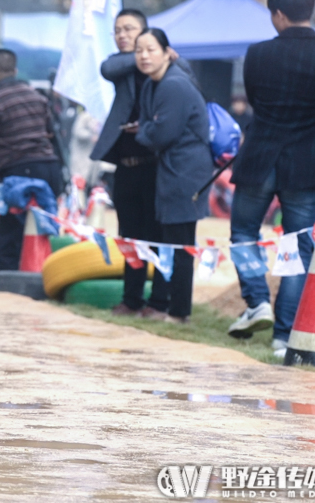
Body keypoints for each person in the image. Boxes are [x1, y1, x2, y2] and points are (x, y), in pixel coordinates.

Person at [227, 0, 315, 355]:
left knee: (244, 231)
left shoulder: (258, 54)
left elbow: (256, 101)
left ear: (277, 14)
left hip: (260, 157)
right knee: (298, 246)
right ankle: (283, 334)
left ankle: (257, 299)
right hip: (307, 165)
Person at [91, 9, 192, 318]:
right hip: (125, 166)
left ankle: (159, 302)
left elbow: (184, 69)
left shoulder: (169, 66)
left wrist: (157, 56)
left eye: (129, 29)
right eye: (118, 30)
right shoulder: (121, 64)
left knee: (159, 235)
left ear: (147, 33)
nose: (122, 35)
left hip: (156, 165)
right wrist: (144, 56)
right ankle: (131, 299)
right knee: (130, 234)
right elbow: (107, 67)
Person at [134, 28, 212, 324]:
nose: (143, 55)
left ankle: (179, 312)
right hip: (171, 168)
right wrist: (148, 128)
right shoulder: (152, 84)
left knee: (180, 243)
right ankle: (166, 305)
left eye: (151, 49)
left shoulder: (173, 85)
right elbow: (148, 124)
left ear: (168, 53)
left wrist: (145, 131)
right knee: (169, 240)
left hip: (186, 172)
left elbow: (160, 133)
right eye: (139, 50)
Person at [0, 48, 62, 271]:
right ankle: (43, 274)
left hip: (19, 171)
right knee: (41, 228)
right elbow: (51, 133)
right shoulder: (37, 96)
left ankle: (8, 282)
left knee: (10, 230)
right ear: (14, 70)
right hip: (50, 168)